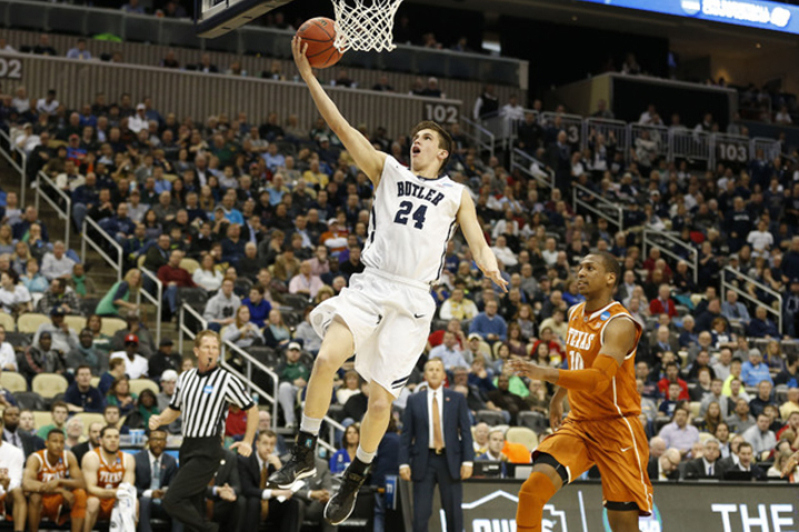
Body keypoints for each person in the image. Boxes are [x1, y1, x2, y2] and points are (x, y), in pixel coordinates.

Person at [269, 35, 506, 527]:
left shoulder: (457, 193)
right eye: (415, 137)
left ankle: (354, 478)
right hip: (372, 284)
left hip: (413, 301)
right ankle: (303, 453)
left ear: (442, 154)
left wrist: (490, 265)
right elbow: (341, 127)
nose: (416, 141)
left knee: (380, 404)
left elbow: (477, 240)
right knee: (327, 357)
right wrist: (310, 76)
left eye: (426, 140)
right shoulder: (389, 171)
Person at [509, 252, 653, 532]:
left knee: (623, 527)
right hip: (580, 423)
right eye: (580, 268)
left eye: (590, 268)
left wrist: (545, 374)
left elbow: (598, 378)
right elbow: (577, 363)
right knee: (532, 490)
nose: (581, 273)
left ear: (610, 278)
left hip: (617, 427)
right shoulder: (575, 312)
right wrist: (557, 398)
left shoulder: (620, 324)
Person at [147, 330, 258, 532]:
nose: (211, 351)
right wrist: (159, 419)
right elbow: (174, 410)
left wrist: (248, 440)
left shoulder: (226, 379)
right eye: (207, 347)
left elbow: (252, 408)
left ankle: (210, 529)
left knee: (172, 499)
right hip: (187, 446)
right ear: (196, 351)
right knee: (193, 504)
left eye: (215, 347)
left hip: (209, 448)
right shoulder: (185, 378)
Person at [398, 359, 474, 532]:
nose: (433, 372)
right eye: (430, 369)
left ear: (443, 375)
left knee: (454, 513)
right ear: (425, 375)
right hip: (424, 460)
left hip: (450, 460)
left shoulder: (457, 398)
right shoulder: (414, 400)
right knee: (421, 514)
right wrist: (403, 463)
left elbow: (466, 432)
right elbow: (406, 434)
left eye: (437, 370)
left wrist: (468, 461)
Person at [22, 429, 87, 532]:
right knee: (35, 496)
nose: (58, 445)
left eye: (61, 442)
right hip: (40, 502)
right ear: (46, 443)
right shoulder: (36, 458)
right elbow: (26, 484)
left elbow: (82, 483)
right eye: (55, 441)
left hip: (58, 500)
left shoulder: (68, 456)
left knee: (80, 494)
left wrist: (60, 481)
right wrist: (60, 490)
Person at [239, 429, 301, 532]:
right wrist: (274, 492)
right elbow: (247, 489)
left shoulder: (277, 462)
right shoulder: (245, 460)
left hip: (270, 505)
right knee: (253, 502)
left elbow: (289, 490)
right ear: (257, 444)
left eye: (272, 444)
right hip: (251, 502)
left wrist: (279, 468)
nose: (268, 448)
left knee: (293, 503)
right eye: (265, 443)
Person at [80, 426, 137, 532]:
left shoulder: (128, 458)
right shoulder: (91, 457)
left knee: (135, 503)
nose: (113, 440)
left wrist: (117, 494)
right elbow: (91, 488)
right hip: (97, 498)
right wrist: (114, 493)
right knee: (93, 502)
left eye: (116, 437)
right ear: (100, 441)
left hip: (116, 499)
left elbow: (127, 486)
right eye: (109, 437)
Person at [134, 427, 181, 532]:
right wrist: (151, 493)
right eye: (155, 439)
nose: (158, 443)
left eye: (162, 439)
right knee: (144, 501)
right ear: (148, 441)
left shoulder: (170, 461)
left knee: (178, 504)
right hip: (144, 503)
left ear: (166, 442)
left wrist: (166, 492)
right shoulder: (137, 459)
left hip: (164, 503)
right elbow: (131, 488)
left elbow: (173, 485)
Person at [0, 413, 27, 532]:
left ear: (1, 428)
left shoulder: (15, 452)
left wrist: (6, 484)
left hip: (6, 495)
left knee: (17, 491)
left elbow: (16, 481)